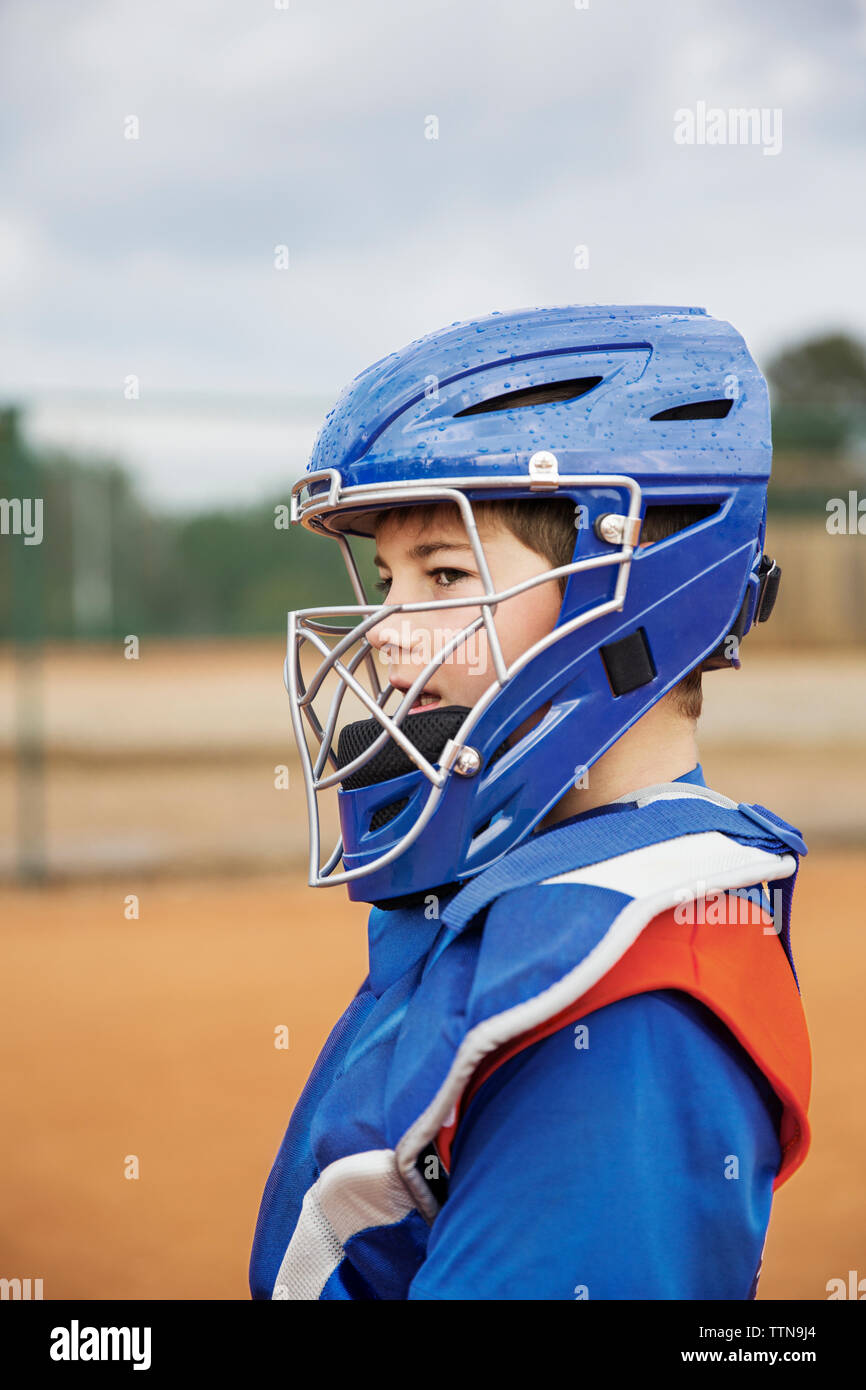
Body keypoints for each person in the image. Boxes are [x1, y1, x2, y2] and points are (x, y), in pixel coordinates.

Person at [249, 304, 812, 1300]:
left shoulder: (626, 1007)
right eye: (387, 578)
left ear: (630, 590)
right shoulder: (535, 900)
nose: (384, 632)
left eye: (444, 572)